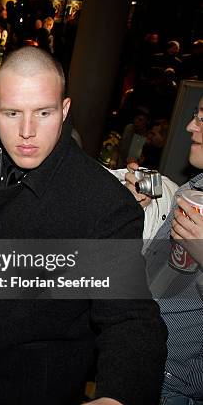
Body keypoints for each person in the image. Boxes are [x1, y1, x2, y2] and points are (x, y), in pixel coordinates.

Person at [0, 46, 167, 405]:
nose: (27, 132)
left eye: (43, 113)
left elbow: (131, 319)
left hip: (26, 387)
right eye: (13, 113)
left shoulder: (101, 203)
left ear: (64, 110)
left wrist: (117, 395)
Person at [124, 96, 203, 405]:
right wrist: (138, 212)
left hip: (178, 387)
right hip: (145, 362)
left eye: (201, 118)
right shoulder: (192, 189)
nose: (189, 126)